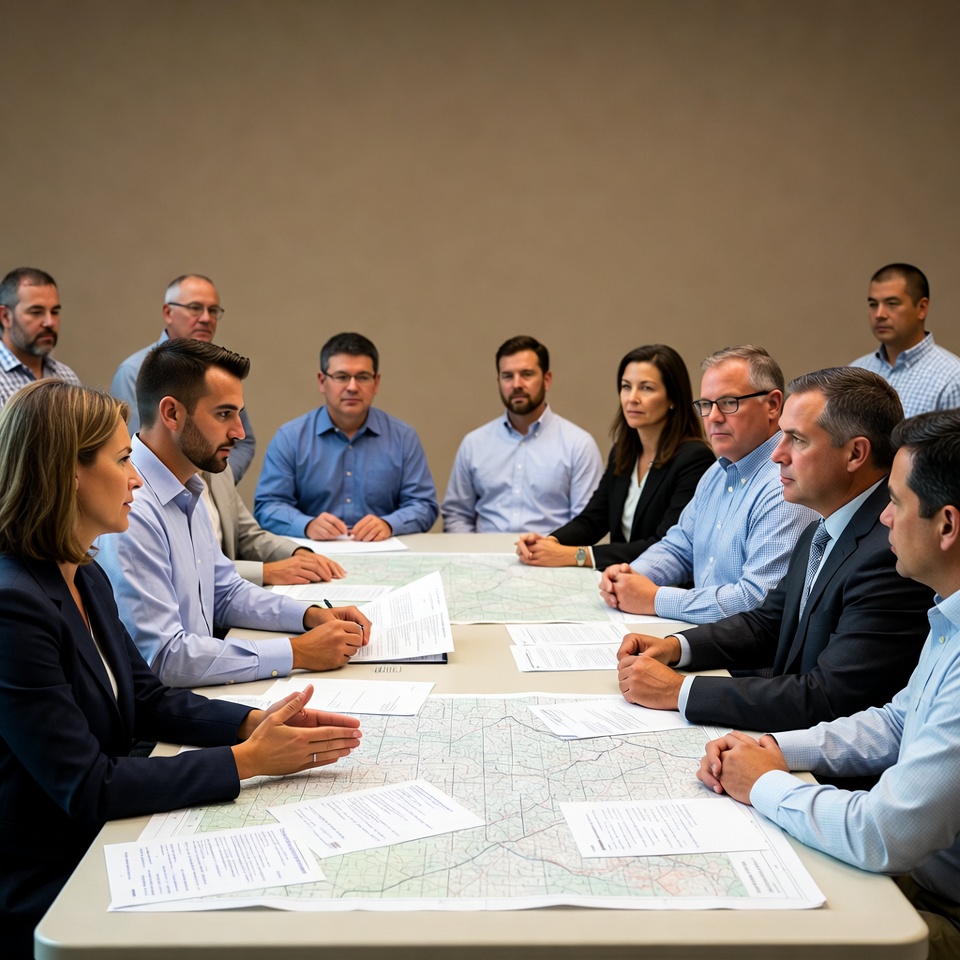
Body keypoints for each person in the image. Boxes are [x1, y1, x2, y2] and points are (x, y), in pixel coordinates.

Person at [0, 380, 362, 959]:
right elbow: (88, 786)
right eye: (122, 461)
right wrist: (248, 761)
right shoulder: (13, 605)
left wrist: (253, 723)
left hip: (107, 845)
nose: (137, 478)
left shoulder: (83, 574)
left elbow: (146, 698)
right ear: (68, 471)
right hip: (54, 886)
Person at [697, 409, 960, 959]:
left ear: (947, 525)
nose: (884, 519)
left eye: (898, 503)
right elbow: (894, 720)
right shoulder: (947, 615)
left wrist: (763, 783)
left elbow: (884, 833)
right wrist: (772, 749)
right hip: (917, 876)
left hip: (941, 907)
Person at [616, 367, 931, 731]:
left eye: (796, 440)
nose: (777, 455)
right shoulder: (823, 524)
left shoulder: (890, 551)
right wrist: (675, 646)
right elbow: (768, 622)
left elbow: (829, 697)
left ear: (855, 454)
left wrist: (680, 691)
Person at [97, 338, 371, 687]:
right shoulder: (133, 506)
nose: (239, 432)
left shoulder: (187, 484)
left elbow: (224, 592)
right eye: (224, 414)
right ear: (171, 414)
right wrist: (298, 652)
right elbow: (164, 658)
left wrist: (312, 616)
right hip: (154, 727)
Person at [599, 345, 816, 623]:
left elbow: (755, 601)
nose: (713, 417)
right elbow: (680, 546)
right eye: (706, 405)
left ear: (773, 405)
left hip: (743, 662)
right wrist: (630, 577)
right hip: (705, 638)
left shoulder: (785, 485)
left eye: (728, 403)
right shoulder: (716, 472)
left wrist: (654, 598)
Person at [516, 344, 713, 567]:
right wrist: (548, 542)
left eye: (646, 388)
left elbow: (665, 545)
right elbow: (593, 520)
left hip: (663, 591)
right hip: (619, 584)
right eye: (626, 387)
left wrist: (577, 556)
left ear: (673, 398)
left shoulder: (694, 459)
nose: (632, 398)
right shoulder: (623, 452)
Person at [255, 332, 438, 541]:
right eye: (341, 377)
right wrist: (306, 525)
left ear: (376, 383)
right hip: (311, 555)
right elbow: (268, 507)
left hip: (383, 552)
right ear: (322, 381)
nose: (352, 387)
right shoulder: (290, 438)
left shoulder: (403, 438)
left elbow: (424, 506)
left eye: (363, 377)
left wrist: (389, 524)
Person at [442, 335, 603, 533]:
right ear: (498, 381)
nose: (516, 384)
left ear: (547, 380)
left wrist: (553, 554)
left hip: (551, 560)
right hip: (481, 559)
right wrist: (470, 558)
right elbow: (456, 515)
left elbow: (585, 523)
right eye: (507, 376)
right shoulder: (474, 444)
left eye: (526, 374)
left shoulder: (578, 445)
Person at [111, 274, 257, 481]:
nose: (206, 318)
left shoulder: (218, 370)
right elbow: (138, 450)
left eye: (213, 310)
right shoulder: (133, 371)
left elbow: (244, 441)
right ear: (168, 312)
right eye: (195, 308)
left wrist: (215, 478)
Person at [200, 467, 345, 586]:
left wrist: (296, 553)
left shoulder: (219, 471)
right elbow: (195, 570)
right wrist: (266, 572)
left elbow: (247, 535)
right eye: (222, 428)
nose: (240, 435)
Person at [850, 263, 960, 417]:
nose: (879, 314)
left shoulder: (953, 379)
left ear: (921, 308)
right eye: (873, 304)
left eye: (892, 304)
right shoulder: (856, 371)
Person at [0, 267, 81, 406]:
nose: (49, 322)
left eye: (54, 312)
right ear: (6, 316)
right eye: (36, 312)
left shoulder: (66, 377)